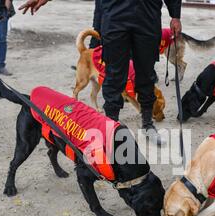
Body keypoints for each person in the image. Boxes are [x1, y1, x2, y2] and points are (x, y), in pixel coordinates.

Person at [19, 0, 182, 146]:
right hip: (115, 17)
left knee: (146, 76)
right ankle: (111, 128)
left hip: (147, 17)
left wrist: (175, 15)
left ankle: (147, 124)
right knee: (113, 77)